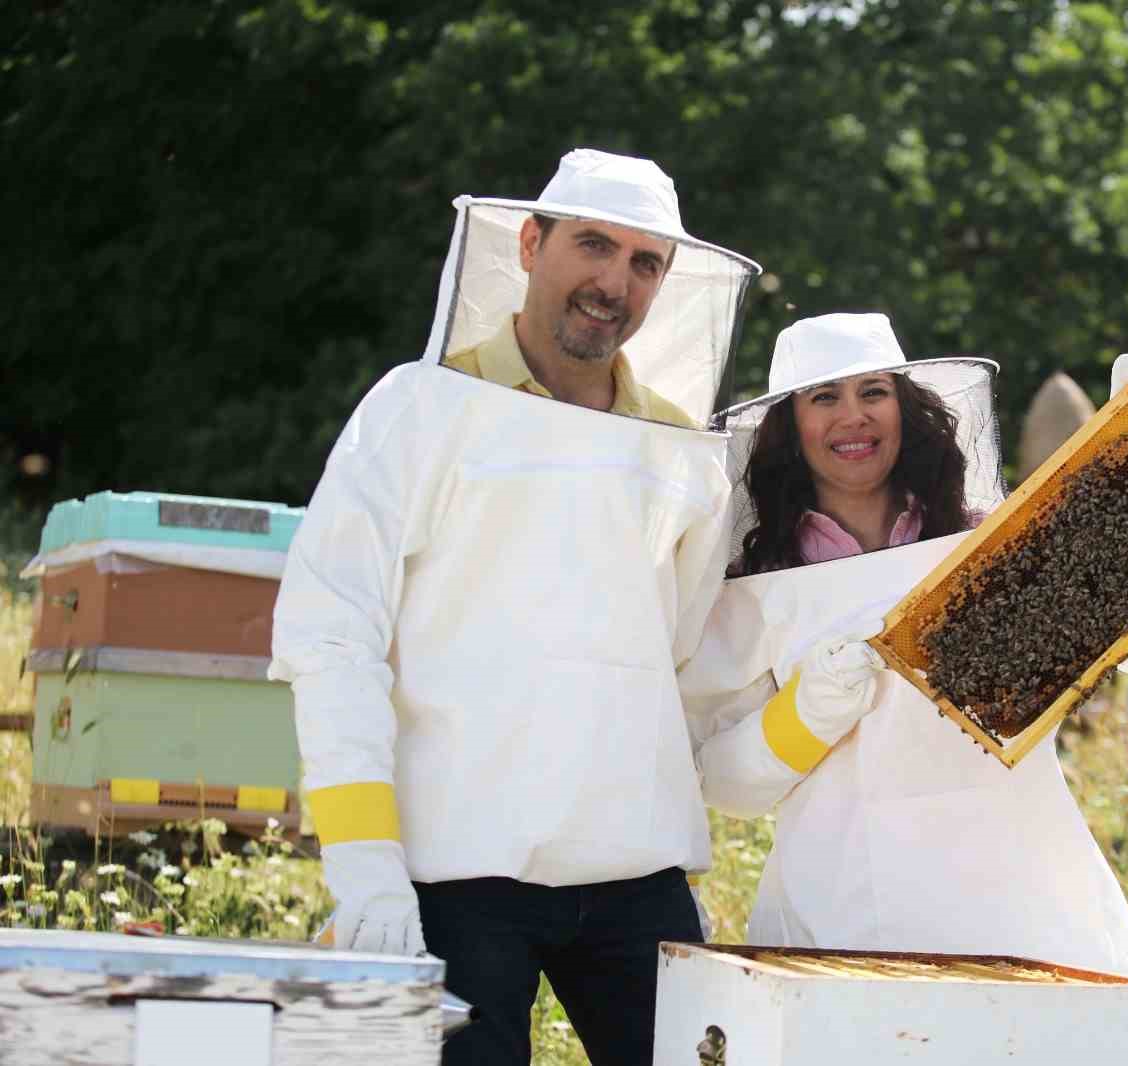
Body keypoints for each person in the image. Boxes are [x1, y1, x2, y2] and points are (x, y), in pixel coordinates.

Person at [270, 148, 761, 1066]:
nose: (614, 282)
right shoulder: (418, 408)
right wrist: (363, 861)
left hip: (635, 870)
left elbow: (685, 650)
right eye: (593, 245)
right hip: (453, 872)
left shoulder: (683, 448)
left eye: (645, 263)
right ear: (530, 244)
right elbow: (331, 634)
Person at [680, 313, 1128, 977]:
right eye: (825, 398)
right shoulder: (756, 588)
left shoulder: (984, 542)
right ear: (790, 425)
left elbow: (1106, 634)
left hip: (1023, 895)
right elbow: (726, 785)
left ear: (904, 409)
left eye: (873, 392)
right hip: (843, 911)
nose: (853, 418)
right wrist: (806, 713)